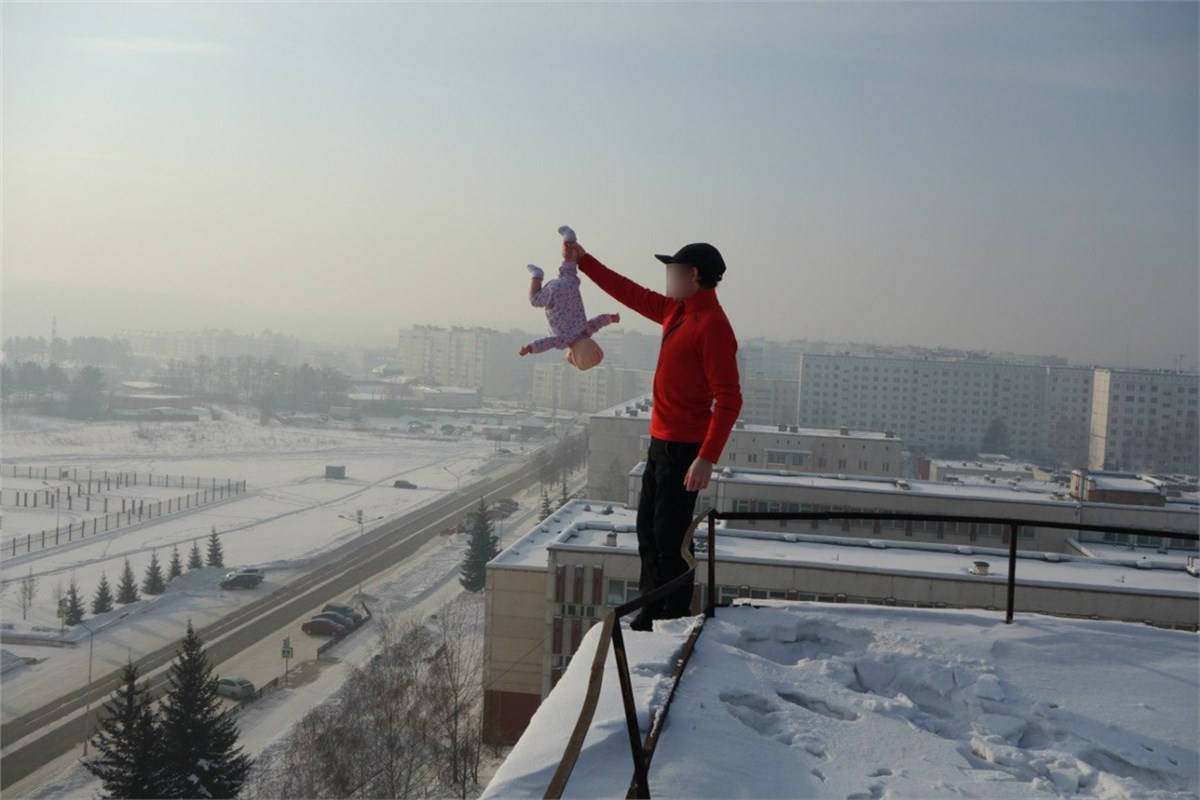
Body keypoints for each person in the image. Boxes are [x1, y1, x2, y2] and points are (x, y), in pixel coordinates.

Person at [564, 234, 742, 630]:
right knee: (648, 533)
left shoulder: (712, 325)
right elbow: (629, 292)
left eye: (673, 270)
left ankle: (670, 618)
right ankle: (652, 608)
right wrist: (584, 260)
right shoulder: (677, 311)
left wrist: (706, 457)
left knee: (670, 540)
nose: (667, 277)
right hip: (661, 445)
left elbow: (729, 399)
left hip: (686, 452)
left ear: (692, 275)